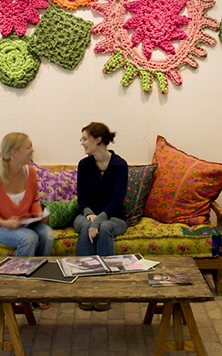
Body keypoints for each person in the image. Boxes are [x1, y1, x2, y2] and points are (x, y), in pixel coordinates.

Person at [0, 132, 54, 309]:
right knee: (29, 238)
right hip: (0, 226)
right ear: (14, 152)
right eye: (28, 147)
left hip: (26, 222)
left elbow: (34, 200)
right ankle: (19, 293)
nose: (32, 150)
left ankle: (38, 287)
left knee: (48, 234)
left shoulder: (31, 172)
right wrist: (4, 223)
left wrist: (39, 214)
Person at [74, 122, 128, 311]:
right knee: (85, 226)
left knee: (104, 228)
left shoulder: (120, 165)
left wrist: (97, 221)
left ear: (98, 140)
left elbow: (117, 201)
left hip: (114, 217)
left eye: (84, 139)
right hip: (85, 215)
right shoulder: (84, 165)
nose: (81, 143)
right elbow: (81, 198)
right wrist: (89, 215)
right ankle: (84, 289)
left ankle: (105, 290)